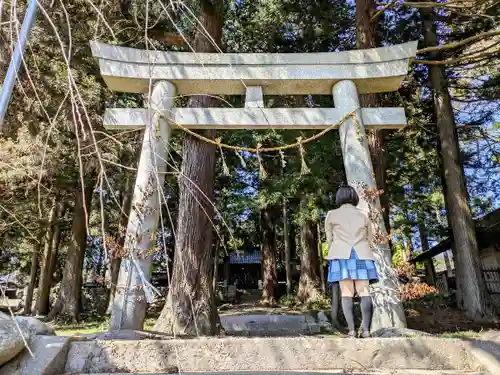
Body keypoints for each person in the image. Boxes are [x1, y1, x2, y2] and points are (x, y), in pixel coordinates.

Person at [324, 185, 378, 338]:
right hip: (362, 254)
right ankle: (366, 330)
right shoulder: (363, 215)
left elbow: (330, 239)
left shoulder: (331, 214)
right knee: (364, 292)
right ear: (354, 197)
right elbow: (370, 238)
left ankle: (352, 331)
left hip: (341, 255)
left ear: (339, 197)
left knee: (346, 292)